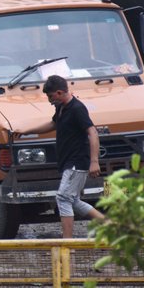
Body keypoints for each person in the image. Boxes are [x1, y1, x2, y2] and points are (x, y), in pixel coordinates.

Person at [13, 75, 105, 238]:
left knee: (63, 198)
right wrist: (27, 131)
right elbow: (53, 124)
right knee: (73, 201)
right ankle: (112, 225)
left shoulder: (77, 108)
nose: (49, 100)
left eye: (50, 96)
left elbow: (93, 132)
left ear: (60, 92)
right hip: (69, 162)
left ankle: (68, 243)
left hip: (77, 162)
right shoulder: (61, 107)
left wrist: (94, 161)